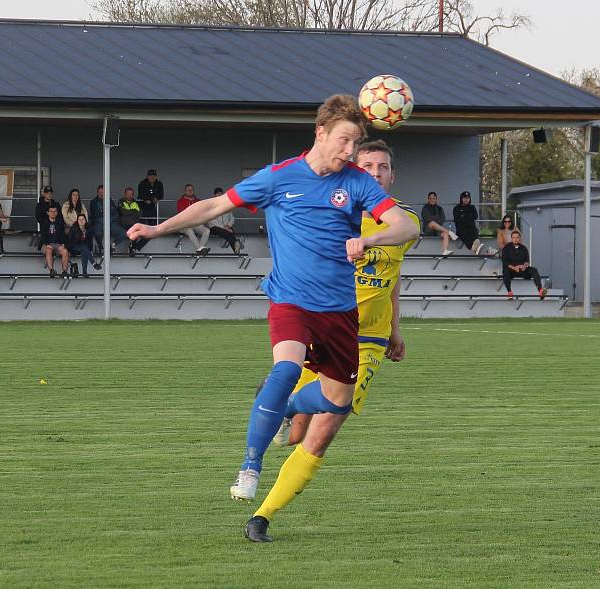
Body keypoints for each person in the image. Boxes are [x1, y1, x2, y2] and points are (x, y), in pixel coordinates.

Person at [127, 94, 418, 518]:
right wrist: (157, 230)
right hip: (290, 300)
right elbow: (213, 206)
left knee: (337, 402)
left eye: (355, 144)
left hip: (339, 312)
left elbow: (405, 226)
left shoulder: (356, 182)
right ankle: (250, 465)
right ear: (320, 133)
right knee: (285, 368)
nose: (349, 152)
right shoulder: (278, 178)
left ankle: (281, 408)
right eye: (343, 141)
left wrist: (369, 239)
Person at [247, 139, 420, 542]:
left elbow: (393, 278)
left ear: (391, 176)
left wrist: (395, 327)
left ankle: (262, 516)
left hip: (368, 340)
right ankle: (285, 406)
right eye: (368, 166)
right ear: (353, 171)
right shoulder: (331, 212)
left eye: (383, 167)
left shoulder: (402, 222)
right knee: (295, 433)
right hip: (323, 324)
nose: (375, 173)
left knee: (323, 432)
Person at [501, 229, 546, 300]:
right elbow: (505, 261)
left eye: (517, 237)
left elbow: (526, 261)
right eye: (514, 237)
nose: (515, 239)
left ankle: (540, 291)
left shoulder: (524, 248)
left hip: (522, 270)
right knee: (506, 271)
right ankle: (510, 292)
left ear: (519, 238)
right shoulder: (506, 248)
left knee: (534, 270)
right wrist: (513, 268)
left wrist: (525, 266)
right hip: (511, 271)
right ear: (511, 238)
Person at [89, 184, 127, 258]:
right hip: (99, 223)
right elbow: (95, 214)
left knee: (124, 233)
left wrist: (107, 215)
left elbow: (115, 212)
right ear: (97, 193)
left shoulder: (109, 200)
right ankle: (101, 247)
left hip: (110, 222)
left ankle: (113, 245)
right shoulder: (93, 202)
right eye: (100, 192)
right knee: (97, 233)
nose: (102, 194)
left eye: (103, 192)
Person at [176, 184, 211, 255]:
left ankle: (200, 248)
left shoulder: (198, 201)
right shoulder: (180, 201)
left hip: (196, 223)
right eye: (188, 190)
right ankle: (199, 248)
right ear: (185, 191)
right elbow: (183, 213)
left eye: (191, 190)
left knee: (207, 230)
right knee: (189, 231)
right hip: (185, 225)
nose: (190, 191)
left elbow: (202, 212)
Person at [420, 191, 457, 256]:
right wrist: (435, 221)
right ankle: (450, 232)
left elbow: (442, 219)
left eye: (433, 198)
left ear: (436, 199)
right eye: (430, 198)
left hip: (438, 230)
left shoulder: (440, 208)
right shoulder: (425, 208)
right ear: (428, 199)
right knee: (432, 223)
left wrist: (435, 221)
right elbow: (427, 219)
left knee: (445, 234)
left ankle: (445, 250)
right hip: (428, 230)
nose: (432, 200)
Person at [207, 187, 243, 254]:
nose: (219, 196)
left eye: (221, 195)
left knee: (231, 232)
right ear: (214, 195)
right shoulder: (211, 206)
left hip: (226, 227)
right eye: (217, 195)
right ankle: (237, 242)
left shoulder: (226, 205)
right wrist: (224, 227)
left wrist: (228, 225)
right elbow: (211, 220)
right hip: (214, 227)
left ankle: (236, 251)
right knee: (226, 232)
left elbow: (231, 218)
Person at [39, 205, 69, 277]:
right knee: (49, 249)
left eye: (55, 211)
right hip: (46, 244)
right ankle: (51, 271)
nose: (53, 213)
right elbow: (43, 235)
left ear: (57, 213)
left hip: (57, 244)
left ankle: (64, 271)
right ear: (48, 213)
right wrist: (47, 244)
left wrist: (62, 244)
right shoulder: (44, 222)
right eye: (51, 211)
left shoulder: (59, 222)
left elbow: (62, 235)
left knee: (65, 251)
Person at [117, 187, 149, 256]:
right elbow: (123, 212)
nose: (129, 196)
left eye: (131, 194)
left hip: (134, 224)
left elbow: (140, 214)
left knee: (148, 234)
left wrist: (130, 213)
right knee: (135, 231)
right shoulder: (121, 201)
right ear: (125, 194)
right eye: (128, 194)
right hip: (124, 224)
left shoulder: (135, 203)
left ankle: (135, 247)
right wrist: (133, 212)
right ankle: (132, 249)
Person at [453, 190, 486, 255]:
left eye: (468, 198)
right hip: (461, 229)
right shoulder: (456, 208)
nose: (466, 200)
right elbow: (458, 220)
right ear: (461, 198)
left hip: (471, 227)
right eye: (465, 198)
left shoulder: (472, 207)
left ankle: (475, 246)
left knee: (473, 230)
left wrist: (464, 216)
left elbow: (475, 216)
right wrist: (468, 217)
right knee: (464, 230)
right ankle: (473, 247)